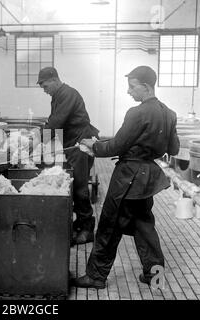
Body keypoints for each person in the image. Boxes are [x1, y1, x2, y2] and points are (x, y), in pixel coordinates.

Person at [71, 65, 180, 289]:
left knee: (110, 225)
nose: (129, 92)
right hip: (147, 178)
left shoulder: (137, 113)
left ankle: (95, 276)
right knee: (144, 226)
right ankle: (154, 275)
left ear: (146, 87)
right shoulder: (169, 113)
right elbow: (175, 148)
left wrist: (92, 146)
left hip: (128, 178)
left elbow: (116, 146)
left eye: (132, 87)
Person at [35, 66, 100, 245]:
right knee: (76, 185)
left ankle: (87, 230)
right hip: (73, 145)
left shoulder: (67, 94)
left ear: (55, 80)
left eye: (45, 86)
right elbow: (53, 120)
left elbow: (56, 122)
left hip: (81, 144)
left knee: (79, 188)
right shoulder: (59, 95)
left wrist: (35, 143)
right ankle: (80, 223)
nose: (45, 91)